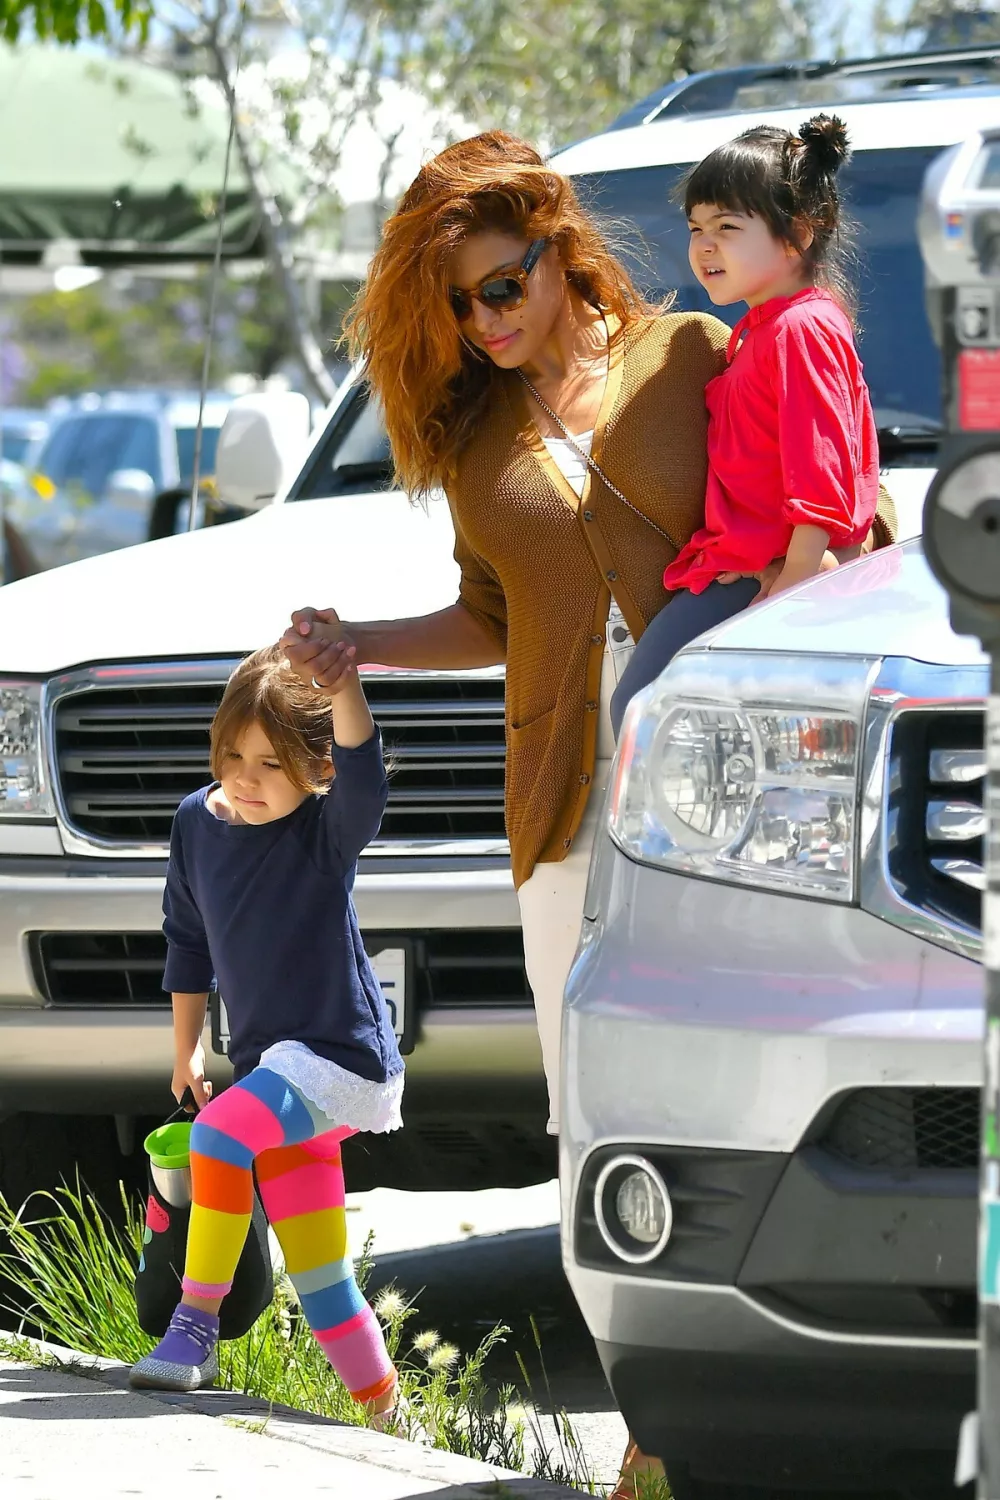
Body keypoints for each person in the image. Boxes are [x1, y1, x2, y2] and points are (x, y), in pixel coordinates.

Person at [280, 129, 895, 1498]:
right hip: (564, 811)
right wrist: (360, 645)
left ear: (561, 253)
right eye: (458, 307)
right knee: (596, 1121)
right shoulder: (474, 439)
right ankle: (651, 1439)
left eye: (502, 288)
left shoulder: (693, 349)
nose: (485, 323)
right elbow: (492, 618)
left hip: (736, 798)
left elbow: (827, 489)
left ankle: (810, 1411)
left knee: (752, 1098)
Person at [129, 644, 403, 1427]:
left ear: (316, 770)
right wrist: (185, 1048)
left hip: (338, 1059)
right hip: (269, 1066)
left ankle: (192, 1330)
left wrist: (345, 683)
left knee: (219, 1138)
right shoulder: (196, 823)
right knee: (321, 1276)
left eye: (271, 765)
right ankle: (391, 1415)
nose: (246, 779)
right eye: (232, 756)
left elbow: (366, 777)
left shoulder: (324, 833)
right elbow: (187, 939)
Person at [609, 113, 879, 737]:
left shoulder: (801, 328)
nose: (705, 246)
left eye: (728, 227)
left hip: (786, 578)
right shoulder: (759, 329)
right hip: (758, 570)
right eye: (696, 228)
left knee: (643, 713)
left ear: (799, 234)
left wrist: (790, 587)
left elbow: (821, 474)